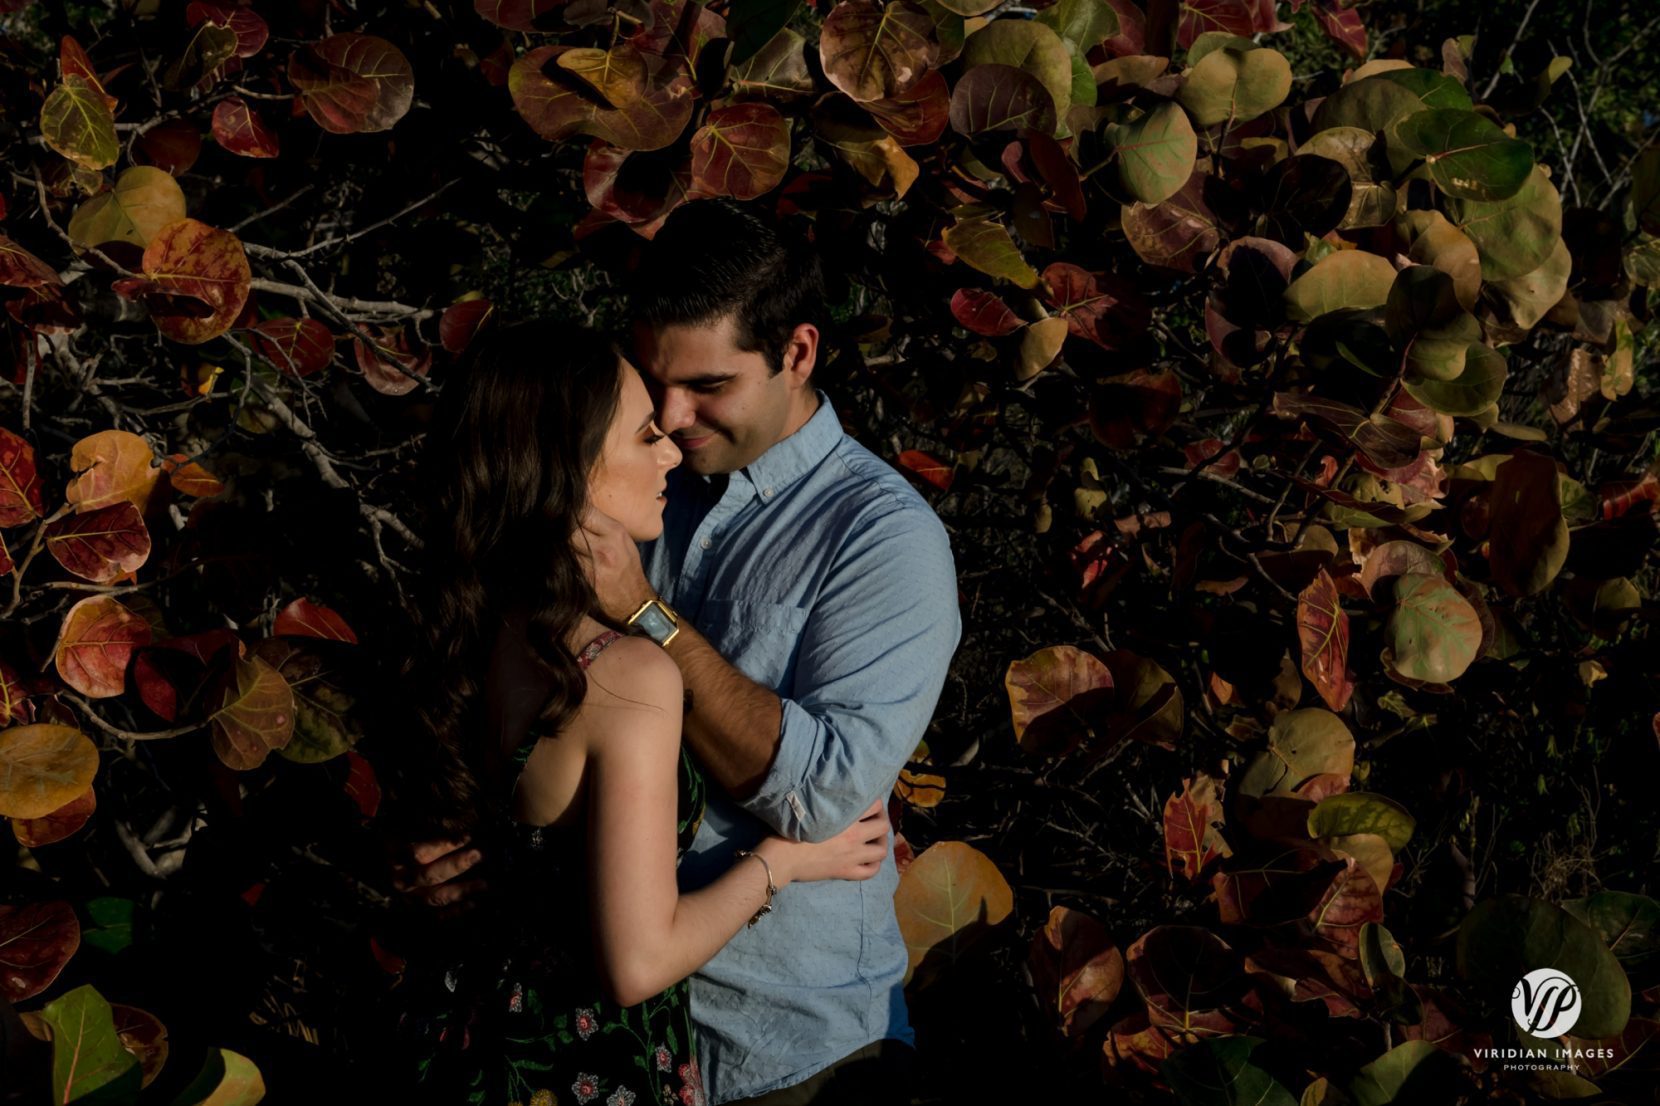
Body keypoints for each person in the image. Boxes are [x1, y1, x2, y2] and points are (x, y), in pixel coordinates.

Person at [404, 200, 961, 1105]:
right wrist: (469, 850)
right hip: (585, 1025)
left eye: (705, 384)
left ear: (799, 353)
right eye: (652, 384)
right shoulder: (633, 482)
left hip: (778, 1040)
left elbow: (822, 800)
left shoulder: (881, 539)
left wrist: (650, 614)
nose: (671, 417)